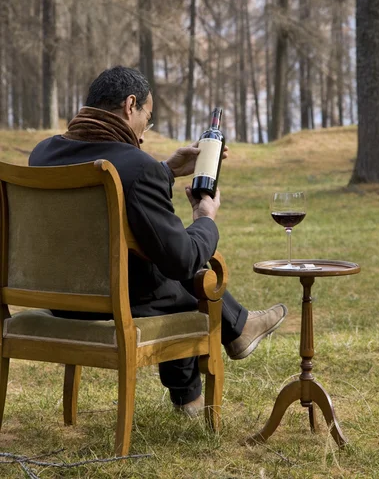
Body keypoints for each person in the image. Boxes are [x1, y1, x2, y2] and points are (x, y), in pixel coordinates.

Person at [29, 65, 287, 416]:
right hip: (114, 302)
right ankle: (222, 352)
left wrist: (164, 169)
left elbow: (121, 182)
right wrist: (205, 219)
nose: (144, 135)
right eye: (146, 120)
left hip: (59, 299)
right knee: (190, 285)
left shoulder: (42, 155)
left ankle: (231, 340)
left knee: (169, 276)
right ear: (129, 106)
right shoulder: (135, 166)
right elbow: (182, 259)